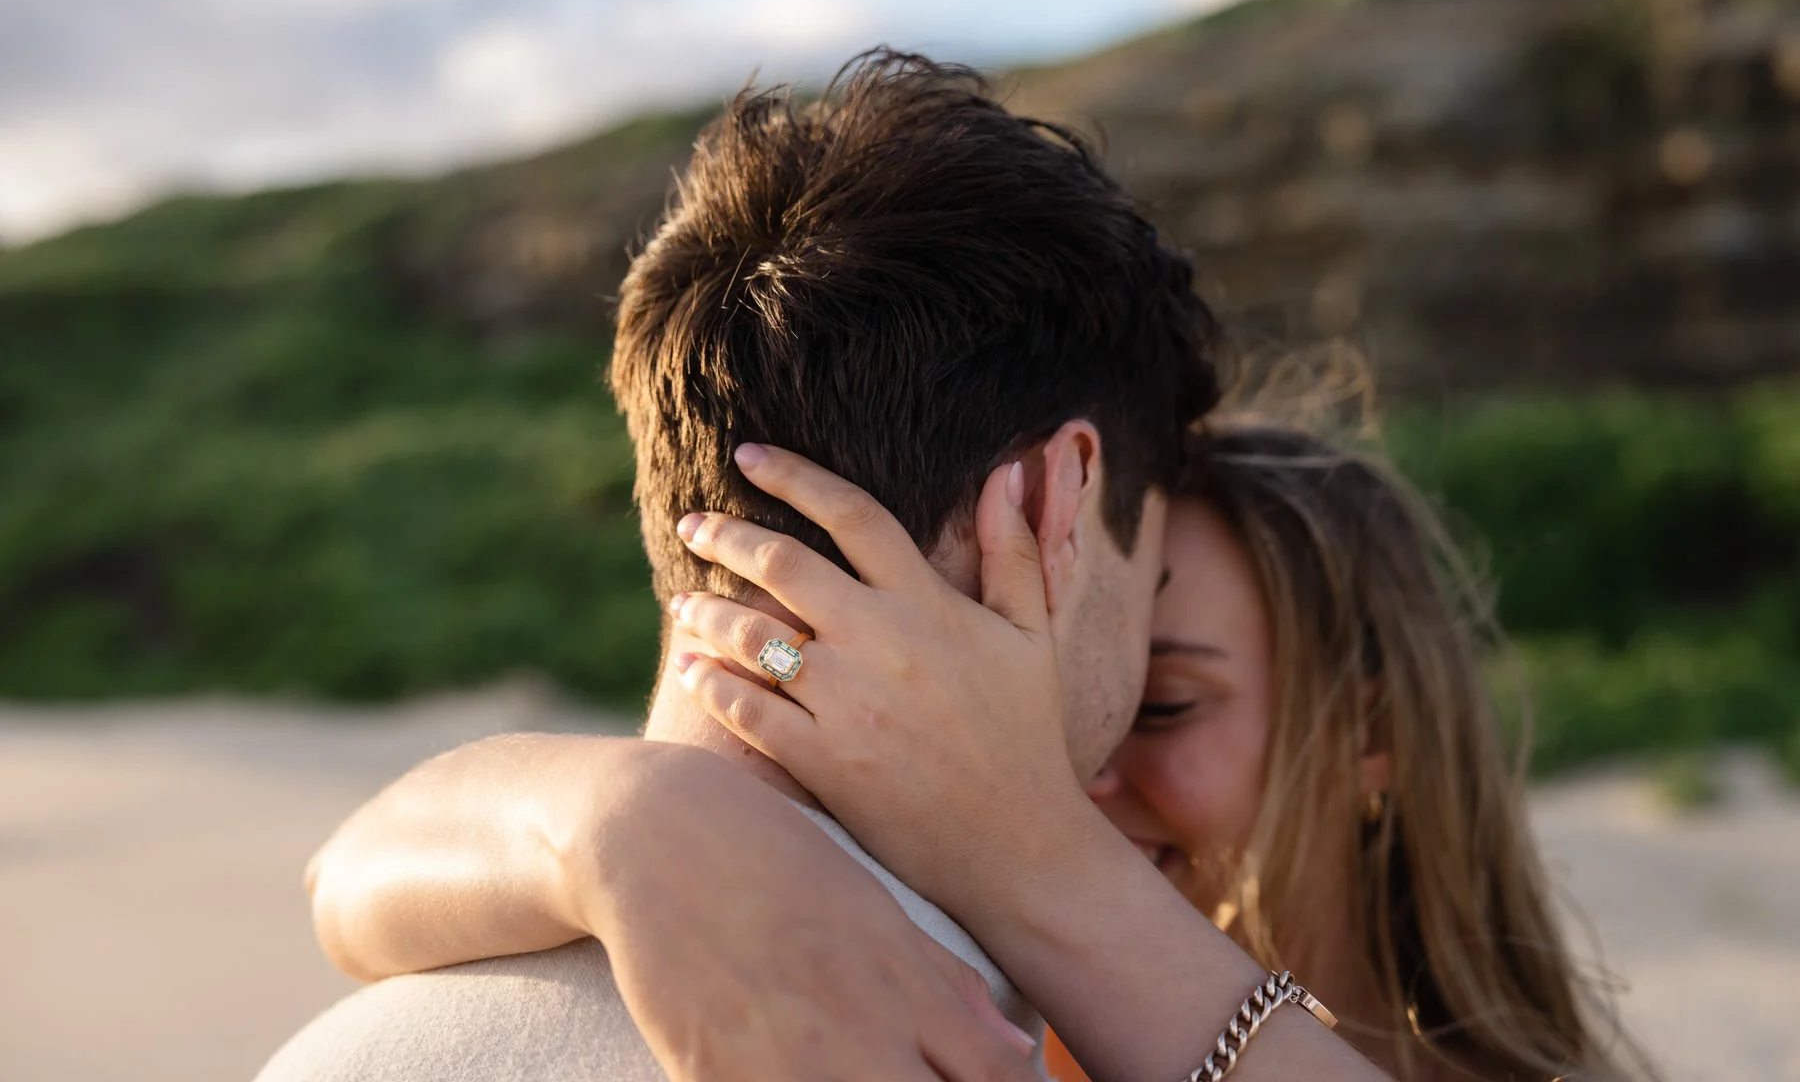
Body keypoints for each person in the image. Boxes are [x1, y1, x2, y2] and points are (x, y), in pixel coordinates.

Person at [259, 49, 1383, 1082]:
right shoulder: (964, 1047)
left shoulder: (335, 1048)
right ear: (1053, 501)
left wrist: (632, 814)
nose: (1102, 778)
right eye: (1151, 602)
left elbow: (331, 887)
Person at [305, 423, 1657, 1082]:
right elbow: (345, 881)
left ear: (1371, 735)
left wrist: (1037, 856)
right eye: (1086, 704)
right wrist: (623, 816)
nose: (1068, 772)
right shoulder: (969, 1020)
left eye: (1165, 708)